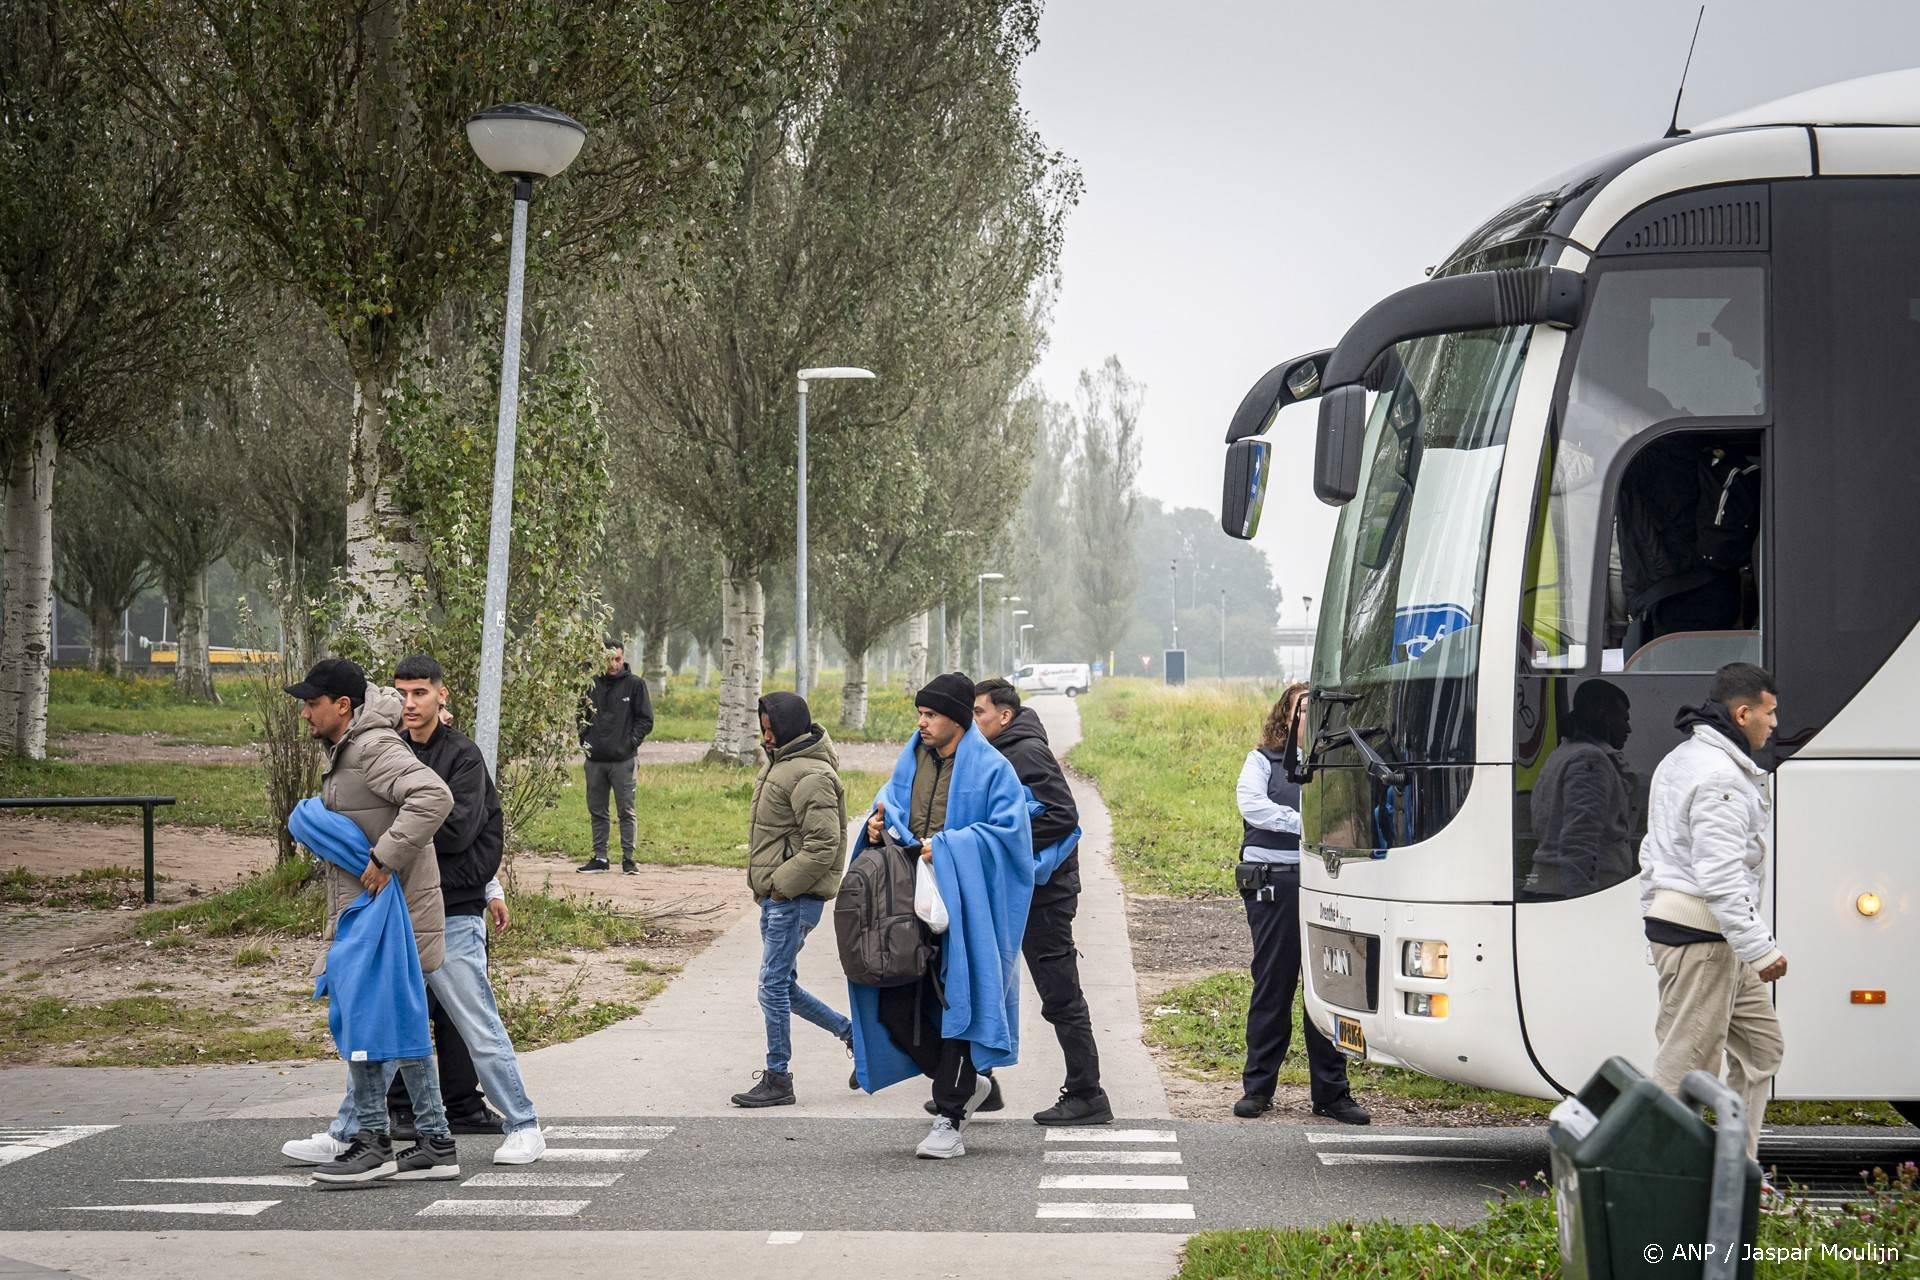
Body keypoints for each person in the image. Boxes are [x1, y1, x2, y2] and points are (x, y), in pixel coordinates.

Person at [280, 658, 459, 1186]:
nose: (306, 713)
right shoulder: (349, 749)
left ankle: (372, 1142)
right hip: (377, 912)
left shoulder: (370, 748)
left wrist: (384, 858)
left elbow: (434, 797)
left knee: (366, 1018)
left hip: (390, 915)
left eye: (313, 704)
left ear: (342, 706)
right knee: (397, 1025)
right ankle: (434, 1141)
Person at [846, 672, 1034, 1160]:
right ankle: (966, 1084)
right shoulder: (911, 759)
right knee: (893, 1007)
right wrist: (874, 826)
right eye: (920, 715)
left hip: (966, 910)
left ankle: (948, 1117)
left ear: (957, 719)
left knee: (961, 1008)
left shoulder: (994, 770)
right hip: (906, 906)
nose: (922, 724)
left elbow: (1011, 836)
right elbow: (886, 803)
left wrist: (948, 849)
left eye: (930, 715)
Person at [1639, 662, 1785, 1169]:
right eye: (1769, 713)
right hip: (1704, 936)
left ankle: (1736, 1175)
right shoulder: (1721, 776)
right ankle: (1648, 1183)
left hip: (1708, 935)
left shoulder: (1684, 759)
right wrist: (1760, 949)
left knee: (1762, 1049)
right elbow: (1720, 875)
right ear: (1742, 713)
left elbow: (1651, 851)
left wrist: (1652, 916)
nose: (1774, 724)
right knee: (1685, 1066)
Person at [970, 677, 1110, 1126]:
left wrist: (1001, 842)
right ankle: (980, 1083)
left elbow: (1062, 815)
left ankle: (1088, 1093)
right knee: (986, 984)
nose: (974, 721)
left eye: (979, 713)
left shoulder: (1024, 752)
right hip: (1017, 890)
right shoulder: (1000, 750)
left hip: (1045, 895)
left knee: (1060, 994)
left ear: (1004, 715)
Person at [1233, 682, 1370, 1125]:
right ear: (1287, 715)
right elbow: (1254, 808)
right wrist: (1311, 823)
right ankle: (1258, 1089)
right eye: (1304, 708)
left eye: (1318, 709)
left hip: (1328, 883)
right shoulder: (1262, 761)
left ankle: (1332, 1092)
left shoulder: (1341, 763)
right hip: (1276, 883)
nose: (1311, 716)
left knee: (1328, 987)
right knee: (1272, 985)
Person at [732, 692, 856, 1107]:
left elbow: (825, 844)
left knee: (771, 986)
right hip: (776, 898)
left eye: (770, 727)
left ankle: (778, 1076)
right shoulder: (784, 765)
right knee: (783, 985)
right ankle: (853, 1033)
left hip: (792, 898)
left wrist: (782, 884)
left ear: (787, 727)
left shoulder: (811, 774)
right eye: (762, 726)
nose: (764, 735)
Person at [1522, 680, 1641, 901]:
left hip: (1555, 887)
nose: (1628, 728)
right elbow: (1579, 839)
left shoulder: (1563, 753)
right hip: (1577, 891)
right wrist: (1584, 901)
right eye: (1623, 718)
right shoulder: (1589, 760)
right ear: (1602, 714)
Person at [577, 640, 653, 874]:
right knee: (597, 810)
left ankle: (628, 859)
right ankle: (600, 858)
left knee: (626, 811)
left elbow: (645, 719)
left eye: (618, 659)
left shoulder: (635, 685)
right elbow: (580, 715)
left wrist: (630, 743)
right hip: (595, 759)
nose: (613, 664)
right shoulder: (590, 685)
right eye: (609, 659)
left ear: (623, 658)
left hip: (623, 761)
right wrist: (586, 740)